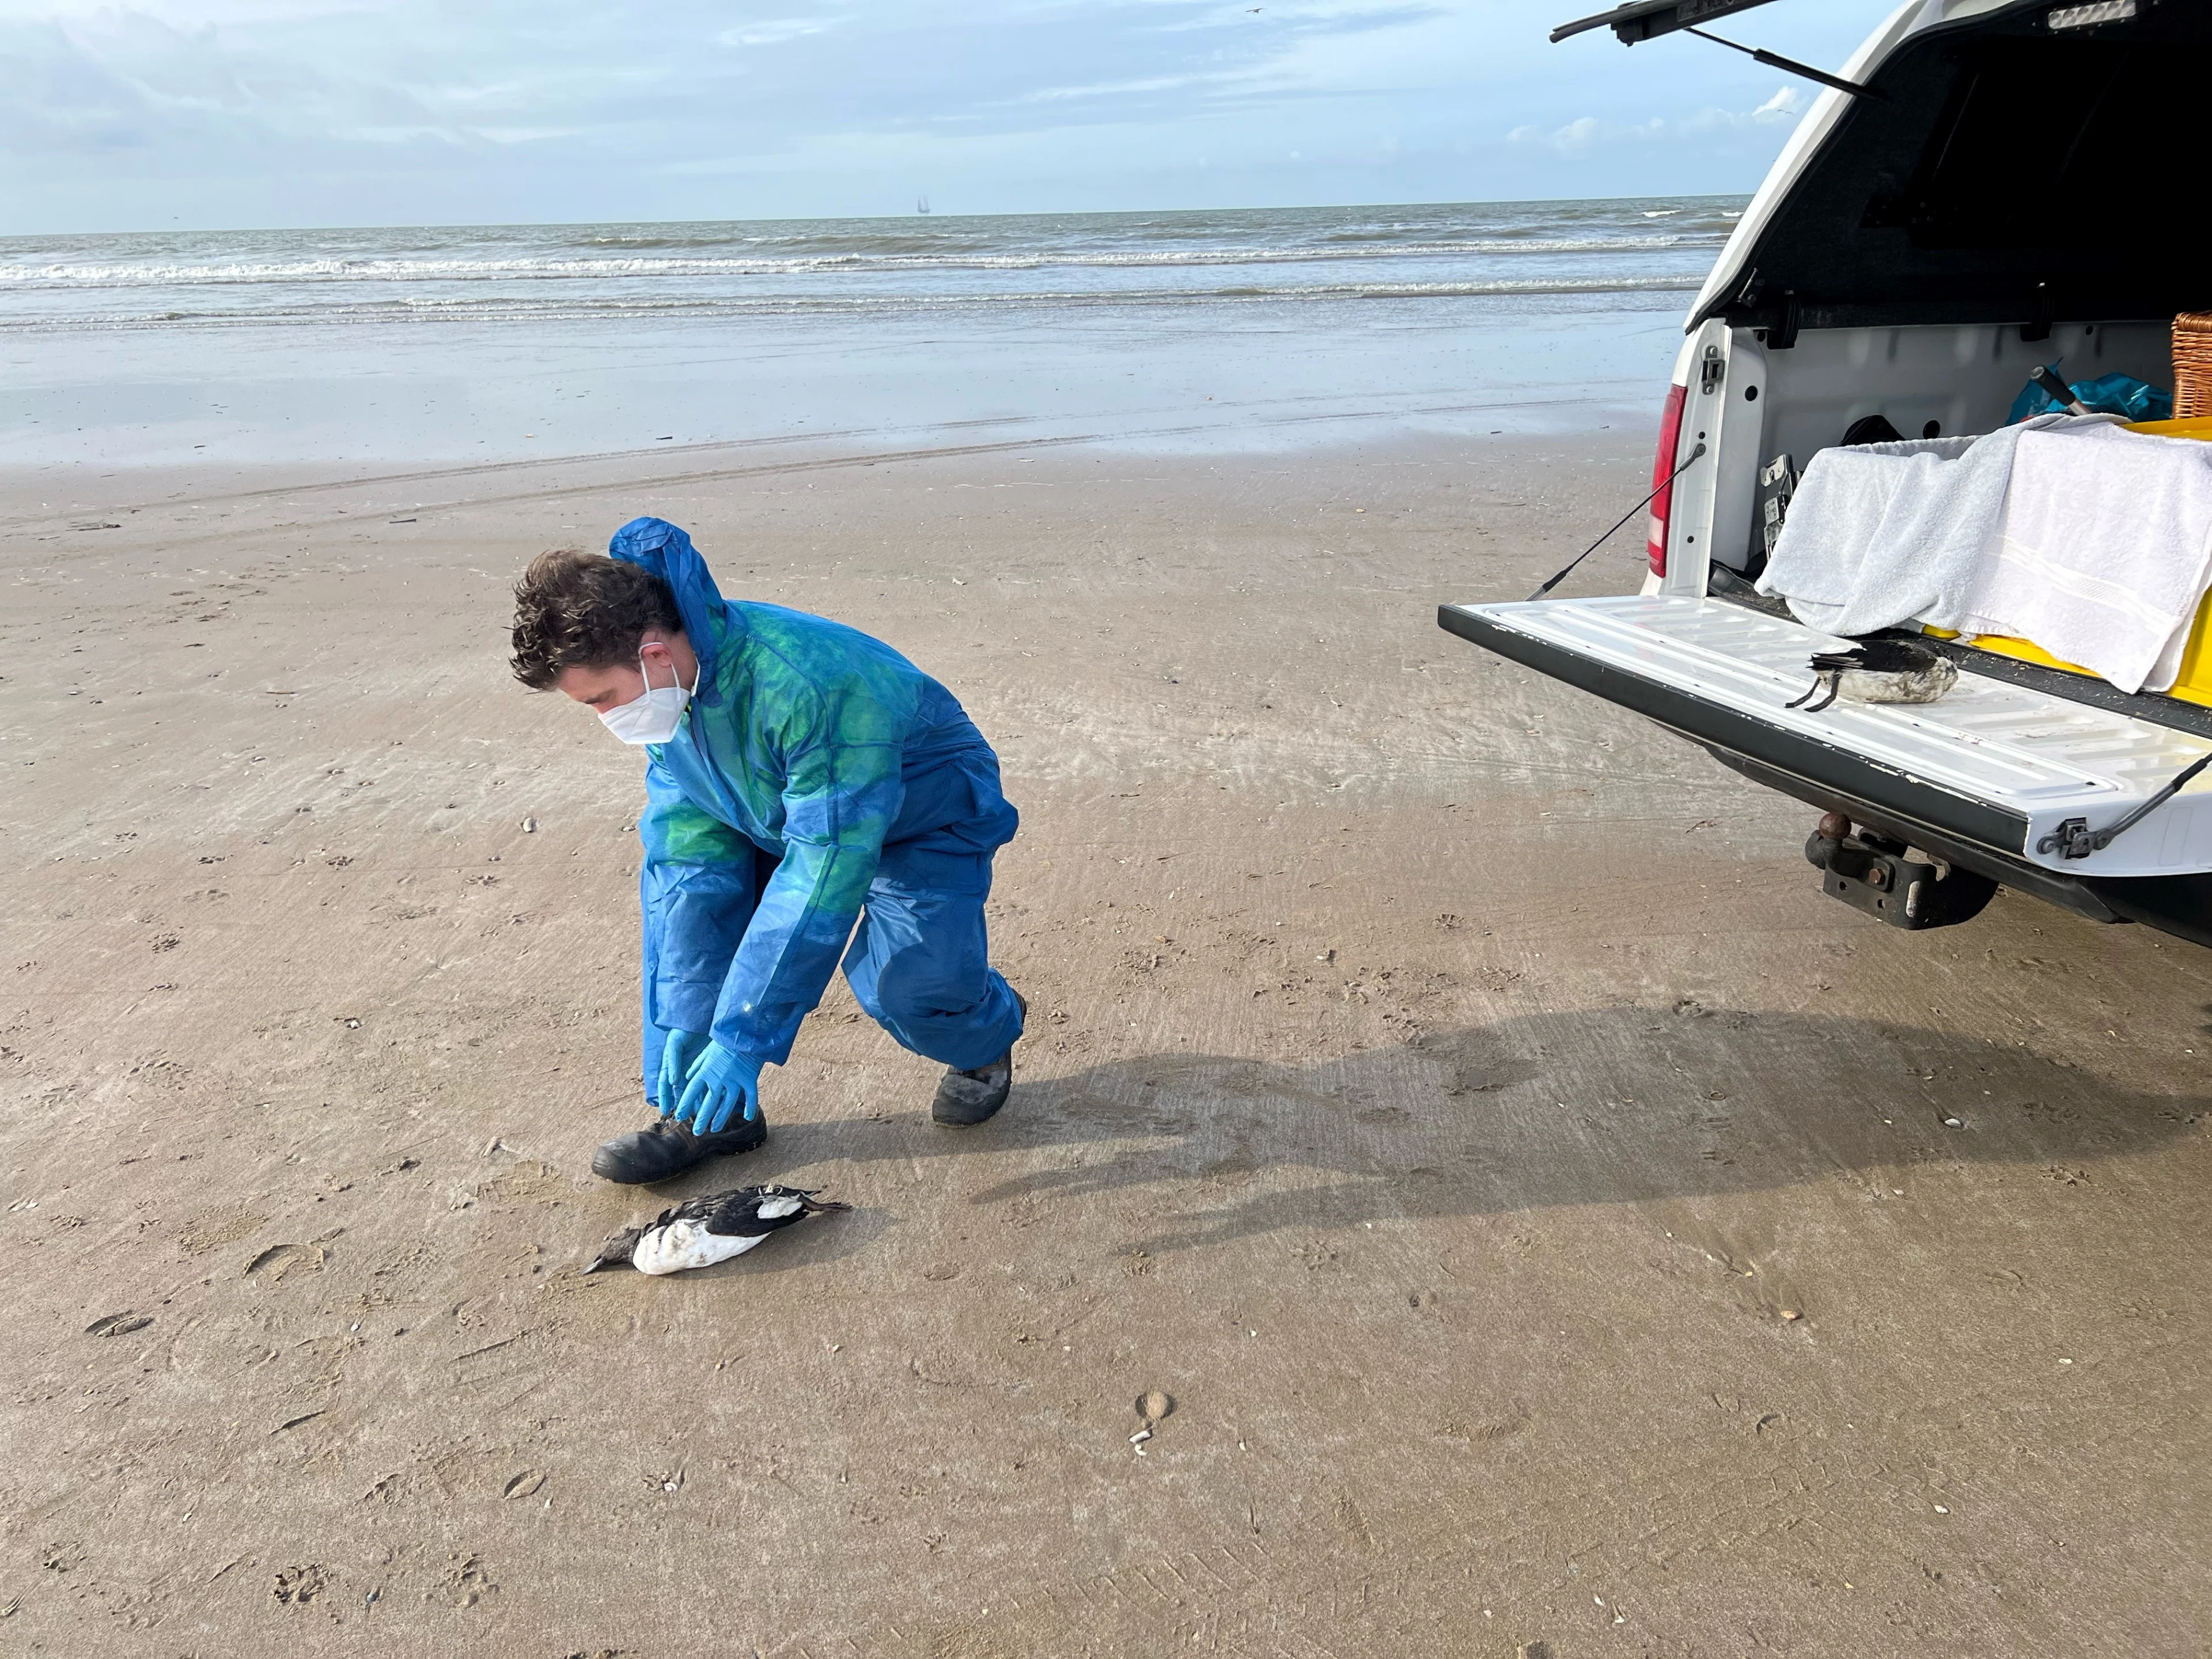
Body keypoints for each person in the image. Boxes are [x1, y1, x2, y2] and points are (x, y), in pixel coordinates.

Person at [509, 517, 1026, 1183]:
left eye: (602, 698)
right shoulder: (669, 694)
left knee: (914, 985)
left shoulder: (813, 688)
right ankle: (710, 1114)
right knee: (687, 912)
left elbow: (824, 867)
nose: (604, 718)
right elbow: (684, 846)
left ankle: (985, 1041)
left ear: (654, 655)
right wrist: (692, 1022)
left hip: (918, 813)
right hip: (761, 803)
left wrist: (744, 1038)